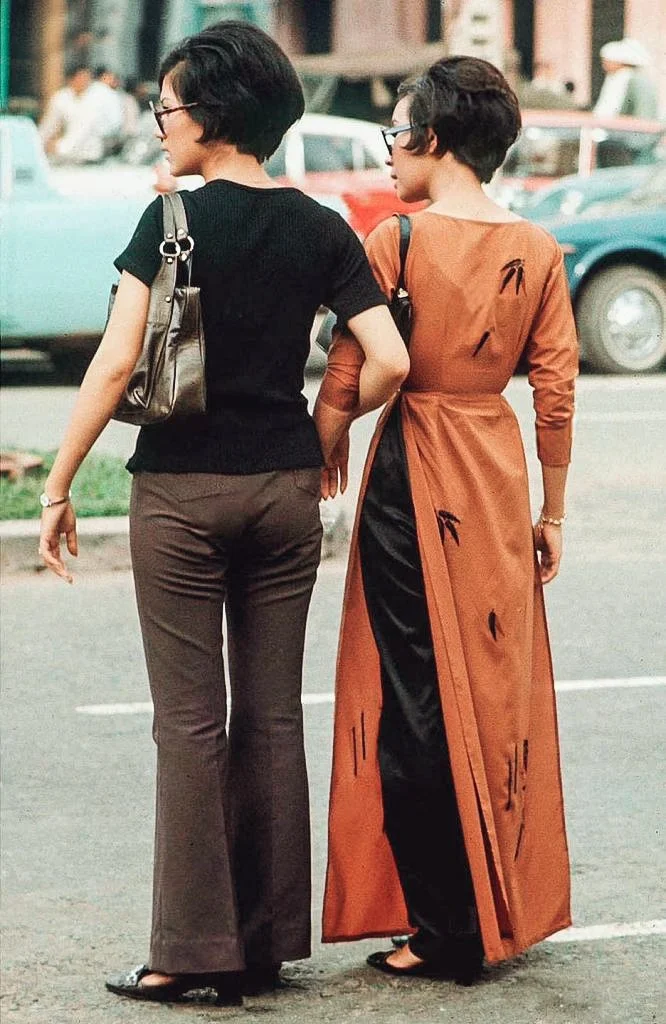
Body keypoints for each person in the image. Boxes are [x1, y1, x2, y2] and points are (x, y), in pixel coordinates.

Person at [38, 20, 408, 1007]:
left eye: (166, 106)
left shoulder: (167, 225)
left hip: (183, 494)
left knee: (189, 724)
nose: (159, 121)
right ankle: (268, 939)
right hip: (286, 491)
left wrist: (60, 482)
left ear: (209, 114)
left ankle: (190, 953)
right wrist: (331, 428)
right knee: (273, 716)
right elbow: (392, 358)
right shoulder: (323, 224)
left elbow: (117, 363)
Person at [315, 55, 577, 985]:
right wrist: (554, 510)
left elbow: (352, 370)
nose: (389, 152)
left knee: (415, 697)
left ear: (430, 140)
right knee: (491, 686)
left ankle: (444, 927)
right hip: (496, 469)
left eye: (395, 133)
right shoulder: (539, 249)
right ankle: (496, 902)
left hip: (413, 465)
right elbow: (555, 390)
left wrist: (328, 441)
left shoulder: (398, 242)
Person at [38, 64, 105, 164]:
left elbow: (84, 129)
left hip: (90, 156)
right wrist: (38, 144)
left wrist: (61, 147)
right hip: (67, 157)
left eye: (87, 78)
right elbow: (49, 125)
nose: (85, 82)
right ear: (71, 79)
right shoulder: (61, 97)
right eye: (81, 78)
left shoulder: (95, 99)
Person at [594, 39, 658, 119]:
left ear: (618, 61)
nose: (604, 65)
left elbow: (644, 113)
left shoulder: (636, 80)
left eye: (606, 61)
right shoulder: (615, 78)